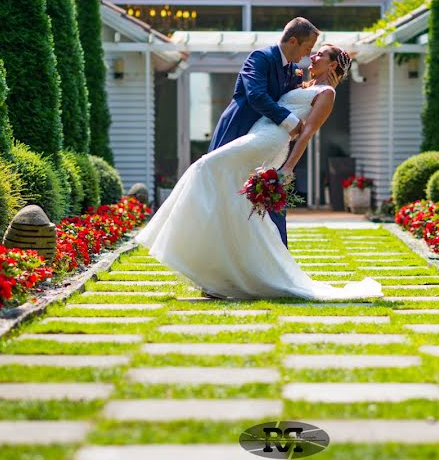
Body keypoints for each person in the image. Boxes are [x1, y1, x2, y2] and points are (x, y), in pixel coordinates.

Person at [136, 41, 383, 301]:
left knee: (204, 167)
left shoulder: (327, 93)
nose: (313, 55)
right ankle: (234, 271)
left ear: (332, 64)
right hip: (260, 132)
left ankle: (185, 244)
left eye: (320, 54)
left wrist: (287, 168)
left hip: (270, 141)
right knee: (238, 203)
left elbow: (307, 133)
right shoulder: (304, 85)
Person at [208, 17, 318, 247]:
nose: (307, 56)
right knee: (226, 196)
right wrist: (291, 122)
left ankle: (279, 257)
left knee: (269, 195)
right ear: (293, 41)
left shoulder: (294, 71)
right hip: (238, 131)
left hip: (268, 142)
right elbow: (256, 96)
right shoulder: (260, 58)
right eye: (307, 49)